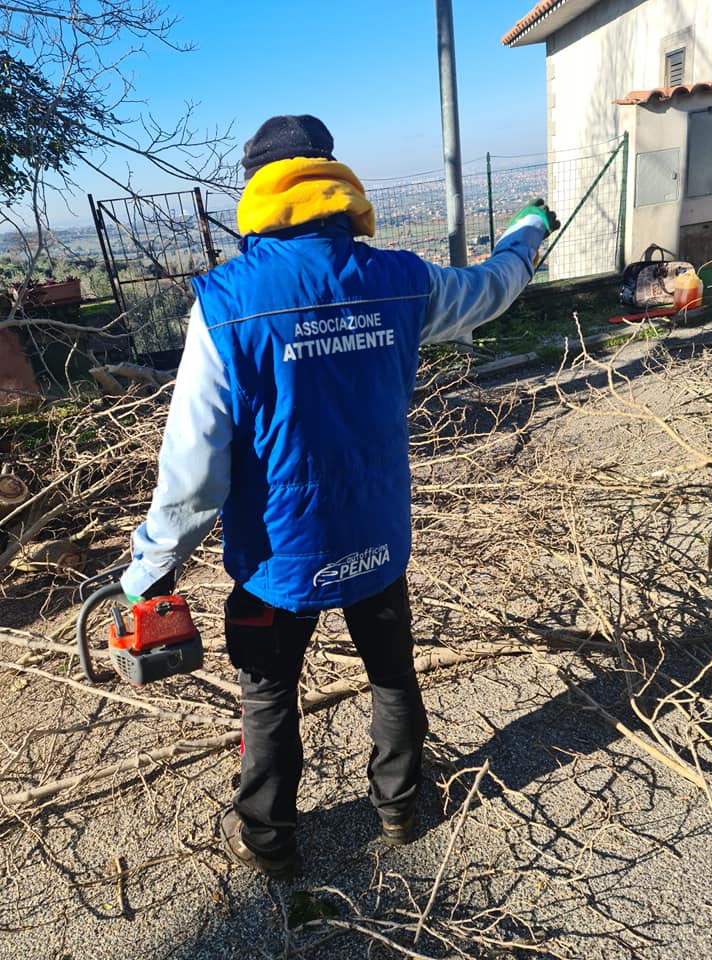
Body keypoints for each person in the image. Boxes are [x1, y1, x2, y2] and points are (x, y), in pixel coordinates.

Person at [121, 115, 559, 879]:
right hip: (379, 543)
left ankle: (271, 844)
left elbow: (194, 470)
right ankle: (399, 810)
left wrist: (149, 569)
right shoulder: (401, 281)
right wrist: (526, 231)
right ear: (333, 181)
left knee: (268, 701)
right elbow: (493, 289)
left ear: (257, 192)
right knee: (392, 674)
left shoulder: (226, 304)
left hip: (274, 560)